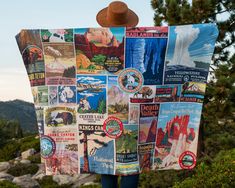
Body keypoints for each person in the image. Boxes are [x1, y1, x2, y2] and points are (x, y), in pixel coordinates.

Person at [96, 1, 139, 188]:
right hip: (132, 116)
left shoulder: (99, 44)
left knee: (107, 164)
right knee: (130, 163)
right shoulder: (136, 42)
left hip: (107, 117)